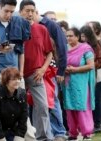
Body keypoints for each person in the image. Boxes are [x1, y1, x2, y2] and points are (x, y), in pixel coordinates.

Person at [19, 0, 54, 140]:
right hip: (18, 74)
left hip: (36, 74)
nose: (30, 13)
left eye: (32, 11)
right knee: (18, 108)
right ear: (20, 12)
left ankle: (42, 137)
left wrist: (43, 69)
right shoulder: (15, 27)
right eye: (27, 10)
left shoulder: (42, 29)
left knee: (42, 106)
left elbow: (49, 52)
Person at [34, 10, 68, 141]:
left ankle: (59, 132)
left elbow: (62, 47)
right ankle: (46, 134)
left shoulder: (52, 26)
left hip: (51, 69)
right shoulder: (29, 24)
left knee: (52, 100)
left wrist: (61, 70)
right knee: (39, 103)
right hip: (35, 69)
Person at [63, 27, 95, 141]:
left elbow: (91, 65)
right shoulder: (64, 48)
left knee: (82, 107)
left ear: (77, 37)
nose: (68, 38)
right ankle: (73, 133)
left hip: (81, 84)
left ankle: (86, 133)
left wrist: (75, 70)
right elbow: (60, 62)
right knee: (69, 108)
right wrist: (63, 69)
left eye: (71, 36)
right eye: (67, 36)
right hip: (67, 83)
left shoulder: (86, 48)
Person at [0, 68, 27, 141]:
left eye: (19, 79)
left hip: (14, 130)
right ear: (6, 81)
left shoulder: (22, 93)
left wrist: (20, 135)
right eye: (14, 79)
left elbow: (24, 116)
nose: (17, 81)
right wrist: (0, 137)